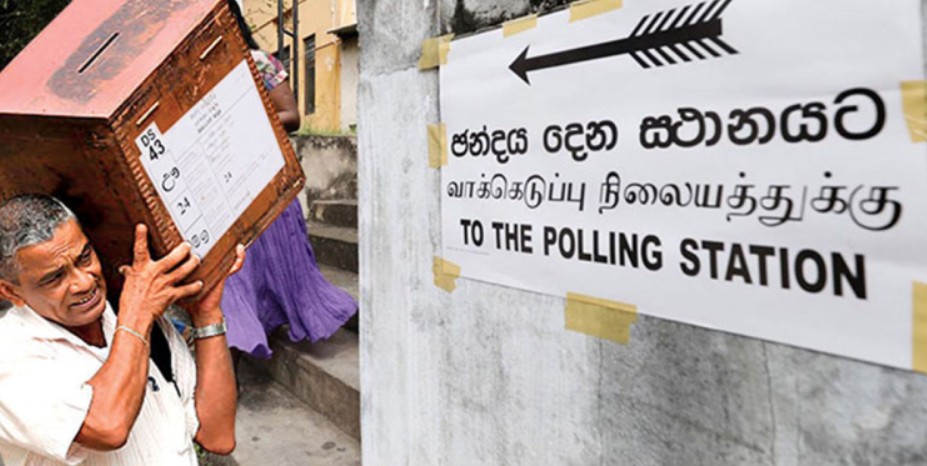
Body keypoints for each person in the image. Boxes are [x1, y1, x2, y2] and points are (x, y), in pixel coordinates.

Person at [0, 194, 243, 465]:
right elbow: (108, 428)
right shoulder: (9, 356)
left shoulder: (128, 314)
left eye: (84, 258)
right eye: (55, 278)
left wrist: (206, 313)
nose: (84, 283)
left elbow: (217, 436)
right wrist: (137, 314)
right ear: (11, 292)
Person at [221, 0, 357, 359]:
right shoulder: (204, 73)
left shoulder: (260, 63)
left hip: (266, 177)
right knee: (239, 266)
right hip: (227, 183)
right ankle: (244, 338)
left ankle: (268, 325)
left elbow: (291, 115)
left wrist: (241, 123)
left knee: (277, 258)